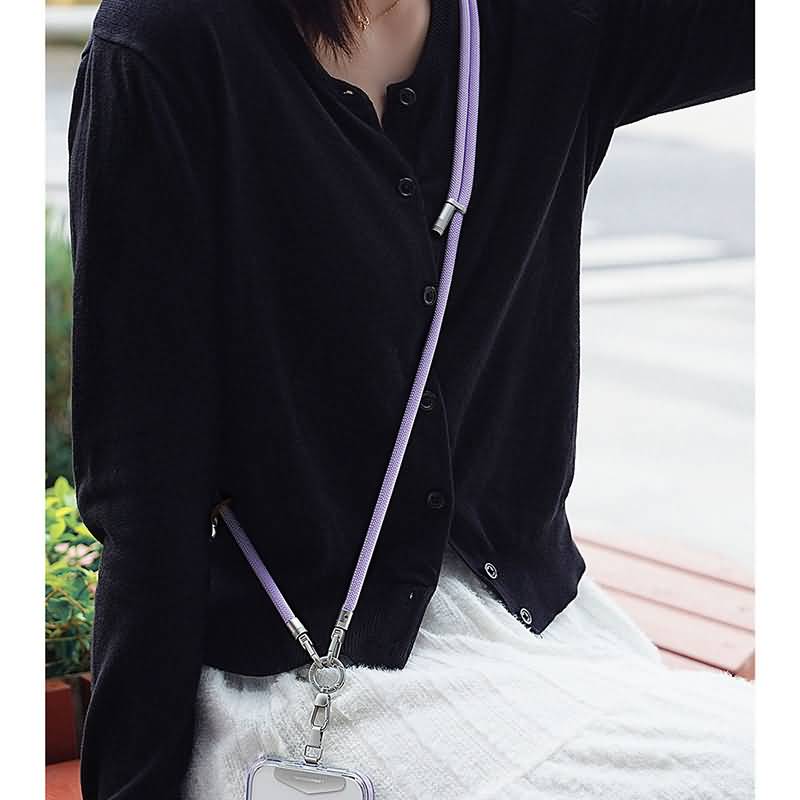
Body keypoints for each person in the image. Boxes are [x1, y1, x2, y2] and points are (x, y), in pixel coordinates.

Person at [67, 0, 756, 798]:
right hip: (290, 681)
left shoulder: (550, 25)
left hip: (534, 631)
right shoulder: (172, 42)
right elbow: (147, 481)